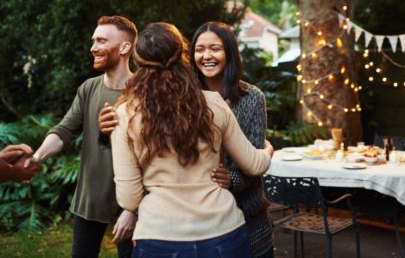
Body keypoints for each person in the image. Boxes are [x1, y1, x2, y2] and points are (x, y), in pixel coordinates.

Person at [110, 22, 274, 258]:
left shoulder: (126, 114)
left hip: (160, 237)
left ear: (138, 60)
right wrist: (267, 150)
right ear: (184, 56)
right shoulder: (214, 103)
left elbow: (129, 197)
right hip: (223, 232)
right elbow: (255, 165)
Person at [26, 15, 138, 258]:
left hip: (134, 204)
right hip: (89, 199)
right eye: (93, 41)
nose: (93, 48)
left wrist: (134, 208)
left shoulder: (145, 89)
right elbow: (65, 130)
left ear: (125, 46)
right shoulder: (88, 88)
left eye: (101, 41)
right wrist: (37, 157)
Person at [191, 21, 274, 258]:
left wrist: (233, 179)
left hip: (248, 217)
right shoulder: (185, 98)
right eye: (199, 49)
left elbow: (255, 155)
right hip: (201, 219)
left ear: (229, 52)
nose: (206, 55)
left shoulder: (252, 98)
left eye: (215, 48)